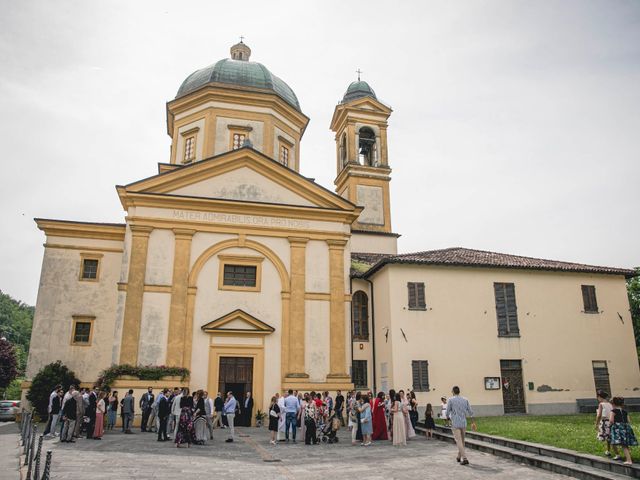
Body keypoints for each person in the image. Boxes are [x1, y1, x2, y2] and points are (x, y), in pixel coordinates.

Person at [446, 386, 476, 465]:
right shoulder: (465, 400)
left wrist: (447, 417)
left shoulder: (450, 400)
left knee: (458, 441)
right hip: (463, 422)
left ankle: (465, 458)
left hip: (455, 422)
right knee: (462, 441)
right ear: (459, 391)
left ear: (453, 391)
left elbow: (447, 411)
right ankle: (459, 456)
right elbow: (470, 411)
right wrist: (473, 421)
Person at [609, 396, 637, 465]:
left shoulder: (613, 411)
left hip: (617, 428)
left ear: (613, 404)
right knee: (625, 443)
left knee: (623, 445)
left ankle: (629, 460)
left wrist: (610, 425)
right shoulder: (625, 411)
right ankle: (628, 456)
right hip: (626, 427)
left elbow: (611, 420)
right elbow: (628, 421)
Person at [595, 390, 613, 457]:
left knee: (606, 437)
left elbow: (599, 415)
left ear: (599, 397)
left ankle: (609, 451)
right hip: (610, 421)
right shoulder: (610, 404)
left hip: (604, 422)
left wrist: (596, 423)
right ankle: (608, 450)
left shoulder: (601, 404)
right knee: (609, 437)